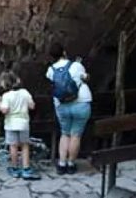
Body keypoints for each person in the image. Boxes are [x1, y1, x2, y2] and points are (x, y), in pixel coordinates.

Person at [46, 42, 92, 174]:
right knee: (76, 135)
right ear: (64, 52)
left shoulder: (50, 70)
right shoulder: (76, 65)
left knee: (65, 133)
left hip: (62, 105)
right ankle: (71, 164)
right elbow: (85, 77)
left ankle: (62, 164)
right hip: (81, 102)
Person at [0, 70, 39, 179]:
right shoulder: (25, 92)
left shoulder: (6, 96)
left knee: (13, 146)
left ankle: (14, 168)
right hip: (24, 123)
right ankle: (26, 168)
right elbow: (32, 106)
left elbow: (4, 110)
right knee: (24, 145)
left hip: (11, 124)